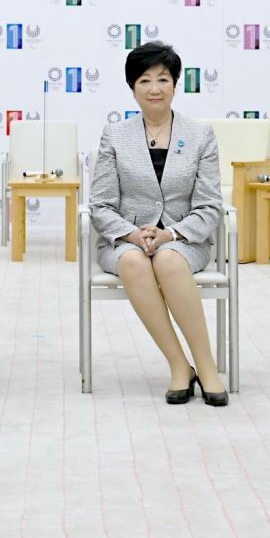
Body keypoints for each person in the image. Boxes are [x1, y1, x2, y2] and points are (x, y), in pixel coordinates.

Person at [89, 42, 228, 406]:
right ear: (132, 87)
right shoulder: (114, 136)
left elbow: (211, 205)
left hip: (185, 238)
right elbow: (101, 204)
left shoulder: (200, 135)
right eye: (145, 80)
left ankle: (207, 366)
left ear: (175, 84)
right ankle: (179, 365)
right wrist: (133, 234)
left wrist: (171, 234)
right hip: (124, 239)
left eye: (163, 79)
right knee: (136, 261)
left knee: (167, 258)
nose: (154, 88)